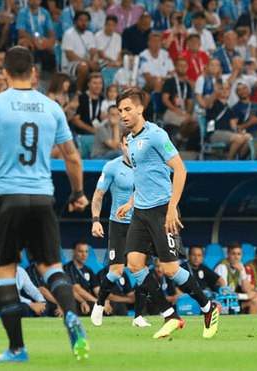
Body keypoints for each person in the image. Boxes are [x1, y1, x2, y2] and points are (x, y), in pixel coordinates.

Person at [0, 46, 90, 362]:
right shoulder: (52, 108)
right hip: (42, 196)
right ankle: (72, 318)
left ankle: (16, 349)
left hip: (7, 197)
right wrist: (78, 194)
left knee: (5, 270)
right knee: (51, 267)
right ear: (34, 73)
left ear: (5, 73)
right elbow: (73, 157)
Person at [115, 87, 220, 339]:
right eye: (120, 111)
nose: (123, 115)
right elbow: (143, 176)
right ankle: (170, 315)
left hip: (163, 209)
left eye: (127, 109)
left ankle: (208, 307)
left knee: (171, 269)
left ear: (140, 108)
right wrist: (131, 202)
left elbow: (180, 170)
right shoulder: (129, 139)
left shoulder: (156, 134)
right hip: (140, 211)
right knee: (134, 265)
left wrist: (172, 207)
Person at [90, 127, 151, 327]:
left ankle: (139, 316)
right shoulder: (112, 167)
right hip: (119, 225)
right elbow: (98, 196)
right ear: (122, 145)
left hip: (141, 224)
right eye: (127, 143)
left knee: (142, 271)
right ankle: (99, 304)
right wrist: (96, 220)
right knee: (116, 271)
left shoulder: (146, 166)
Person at [206, 82, 252, 160]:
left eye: (227, 89)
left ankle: (236, 159)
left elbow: (233, 126)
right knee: (239, 138)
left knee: (249, 137)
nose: (224, 91)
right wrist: (215, 92)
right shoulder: (213, 103)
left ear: (230, 92)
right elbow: (207, 103)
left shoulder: (229, 108)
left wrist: (240, 131)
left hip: (228, 134)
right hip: (214, 133)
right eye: (222, 89)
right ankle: (229, 160)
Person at [214, 242, 257, 314]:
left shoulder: (240, 266)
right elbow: (225, 292)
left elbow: (247, 290)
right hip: (220, 301)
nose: (236, 257)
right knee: (253, 295)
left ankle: (254, 324)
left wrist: (242, 272)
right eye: (233, 254)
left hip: (232, 300)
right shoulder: (222, 266)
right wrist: (242, 295)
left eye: (238, 254)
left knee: (254, 299)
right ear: (228, 254)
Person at [61, 11, 99, 93]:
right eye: (81, 20)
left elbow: (93, 52)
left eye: (86, 21)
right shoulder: (68, 34)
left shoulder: (90, 34)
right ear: (75, 21)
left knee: (101, 65)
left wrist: (94, 61)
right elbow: (69, 55)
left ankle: (95, 92)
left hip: (86, 62)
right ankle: (79, 93)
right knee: (83, 67)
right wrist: (89, 63)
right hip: (69, 64)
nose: (84, 23)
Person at [64, 241, 100, 316]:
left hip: (90, 299)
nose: (84, 255)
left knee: (112, 304)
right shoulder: (68, 268)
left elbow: (96, 289)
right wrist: (97, 301)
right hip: (77, 300)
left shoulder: (88, 270)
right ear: (73, 252)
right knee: (92, 305)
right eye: (81, 251)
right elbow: (77, 289)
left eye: (86, 252)